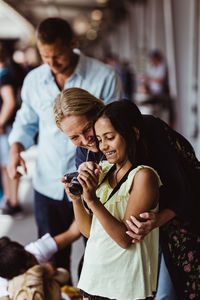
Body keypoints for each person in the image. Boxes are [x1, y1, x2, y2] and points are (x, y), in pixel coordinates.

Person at [53, 87, 200, 300]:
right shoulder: (85, 154)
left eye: (87, 129)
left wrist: (158, 220)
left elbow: (186, 185)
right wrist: (81, 197)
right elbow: (94, 226)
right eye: (74, 137)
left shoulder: (146, 128)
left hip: (174, 226)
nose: (87, 141)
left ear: (98, 111)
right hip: (127, 247)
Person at [7, 17, 123, 274]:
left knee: (97, 258)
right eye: (44, 56)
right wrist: (16, 148)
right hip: (48, 184)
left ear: (73, 44)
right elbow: (26, 121)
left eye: (57, 55)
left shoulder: (104, 76)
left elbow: (117, 129)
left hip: (97, 185)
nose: (51, 63)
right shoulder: (34, 80)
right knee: (52, 267)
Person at [65, 100, 162, 300]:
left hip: (124, 287)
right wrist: (77, 199)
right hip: (93, 280)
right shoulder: (104, 170)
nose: (103, 146)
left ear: (133, 134)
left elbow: (125, 239)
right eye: (100, 139)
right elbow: (91, 232)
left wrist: (92, 201)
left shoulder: (143, 177)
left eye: (110, 137)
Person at [0, 221, 80, 299]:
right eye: (30, 262)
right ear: (21, 272)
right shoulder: (5, 290)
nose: (34, 258)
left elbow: (72, 233)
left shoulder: (33, 250)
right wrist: (44, 275)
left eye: (30, 255)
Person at [0, 43, 22, 216]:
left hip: (5, 129)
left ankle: (13, 201)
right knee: (4, 165)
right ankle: (9, 199)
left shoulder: (4, 76)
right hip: (4, 128)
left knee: (10, 165)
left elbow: (9, 102)